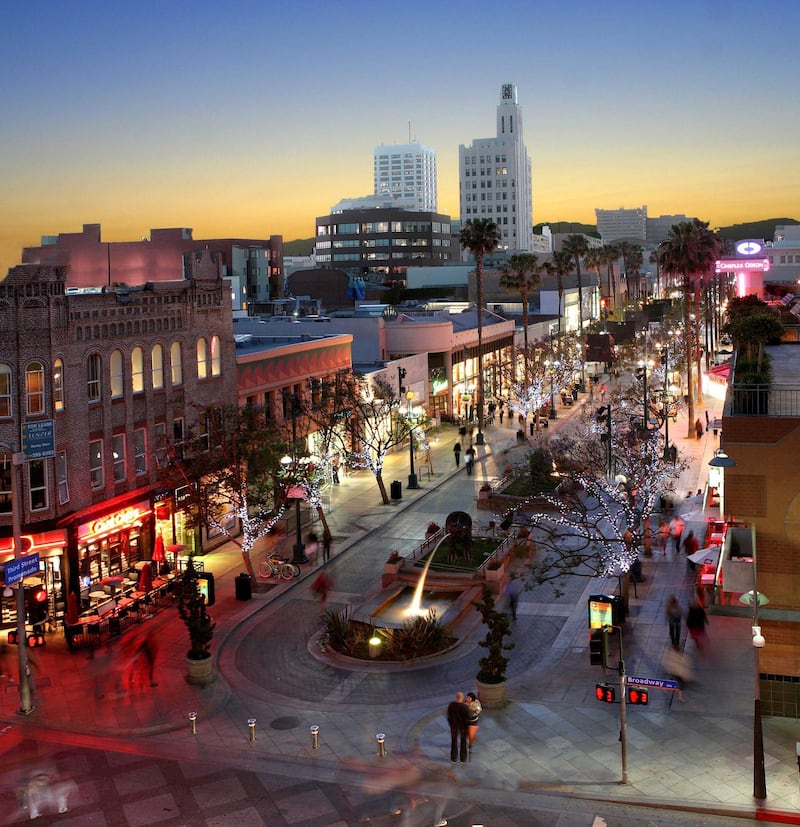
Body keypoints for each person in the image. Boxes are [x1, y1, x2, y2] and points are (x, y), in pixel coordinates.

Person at [446, 692, 470, 763]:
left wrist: (451, 725)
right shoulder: (465, 707)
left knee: (454, 742)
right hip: (463, 728)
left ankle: (453, 759)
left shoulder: (451, 705)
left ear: (456, 697)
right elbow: (468, 718)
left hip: (454, 727)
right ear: (462, 698)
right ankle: (463, 759)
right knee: (463, 742)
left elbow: (449, 717)